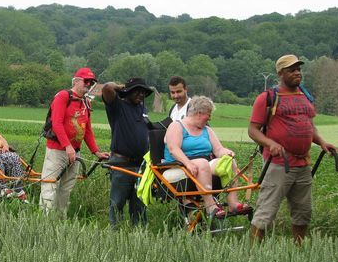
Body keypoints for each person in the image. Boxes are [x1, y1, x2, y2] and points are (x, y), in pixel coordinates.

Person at [248, 54, 337, 243]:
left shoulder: (305, 96)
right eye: (292, 70)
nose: (297, 73)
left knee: (303, 212)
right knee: (265, 212)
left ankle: (298, 251)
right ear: (281, 73)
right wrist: (270, 143)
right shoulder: (268, 97)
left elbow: (309, 126)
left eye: (299, 69)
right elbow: (253, 130)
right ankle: (252, 254)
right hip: (279, 164)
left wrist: (321, 142)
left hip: (303, 164)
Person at [163, 96, 249, 219]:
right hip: (180, 165)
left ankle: (233, 203)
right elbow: (174, 149)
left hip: (203, 165)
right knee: (202, 163)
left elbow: (218, 149)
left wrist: (226, 153)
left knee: (230, 162)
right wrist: (188, 163)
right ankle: (210, 207)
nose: (210, 118)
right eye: (208, 114)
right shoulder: (176, 126)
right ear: (199, 113)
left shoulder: (207, 130)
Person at [40, 67, 109, 212]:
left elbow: (87, 130)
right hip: (57, 150)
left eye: (92, 82)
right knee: (50, 184)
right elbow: (56, 123)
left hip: (74, 152)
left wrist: (96, 152)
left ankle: (60, 219)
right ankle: (44, 220)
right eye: (86, 81)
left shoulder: (86, 103)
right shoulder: (63, 97)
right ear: (76, 81)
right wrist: (67, 146)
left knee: (66, 188)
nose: (89, 85)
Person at [102, 77, 154, 227]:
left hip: (141, 165)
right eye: (137, 91)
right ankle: (115, 233)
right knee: (117, 202)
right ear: (128, 91)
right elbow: (107, 88)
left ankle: (138, 235)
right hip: (122, 164)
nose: (141, 94)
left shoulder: (143, 110)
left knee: (139, 204)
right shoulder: (117, 106)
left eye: (143, 92)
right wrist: (123, 87)